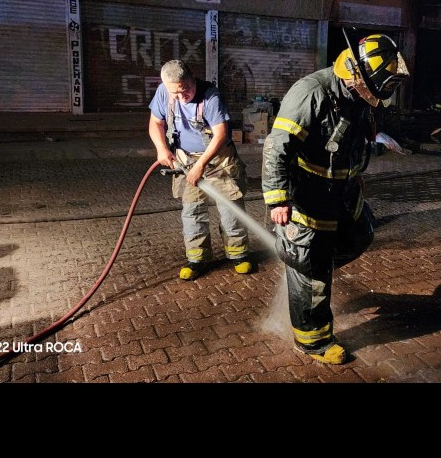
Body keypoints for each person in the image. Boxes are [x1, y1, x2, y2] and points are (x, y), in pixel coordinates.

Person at [261, 33, 410, 364]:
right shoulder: (311, 93)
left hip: (342, 191)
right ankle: (313, 341)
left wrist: (365, 159)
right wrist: (278, 199)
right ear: (358, 74)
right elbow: (276, 147)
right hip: (309, 193)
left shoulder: (357, 93)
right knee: (311, 265)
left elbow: (349, 137)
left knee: (360, 234)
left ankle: (309, 272)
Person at [148, 60, 251, 281]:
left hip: (218, 161)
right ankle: (197, 259)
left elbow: (221, 135)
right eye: (174, 92)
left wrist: (201, 165)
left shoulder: (211, 96)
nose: (181, 96)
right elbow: (156, 123)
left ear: (192, 79)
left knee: (231, 210)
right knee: (192, 211)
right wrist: (161, 149)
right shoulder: (164, 92)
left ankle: (238, 255)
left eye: (185, 89)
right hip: (186, 161)